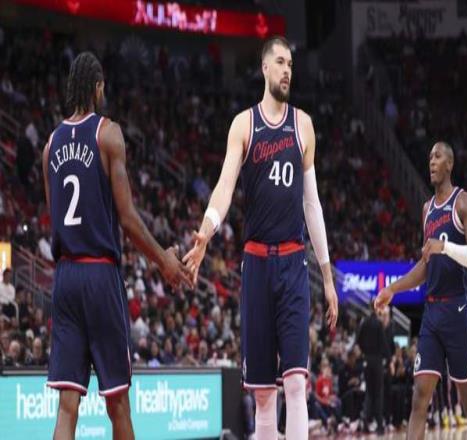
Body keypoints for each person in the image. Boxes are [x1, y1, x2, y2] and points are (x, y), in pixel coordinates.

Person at [183, 36, 338, 439]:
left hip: (293, 263)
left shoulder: (303, 125)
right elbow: (224, 186)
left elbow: (312, 205)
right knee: (265, 395)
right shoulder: (244, 124)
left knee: (297, 384)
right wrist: (206, 230)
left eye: (291, 64)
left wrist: (327, 276)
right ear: (265, 68)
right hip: (256, 264)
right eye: (281, 62)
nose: (288, 70)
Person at [42, 52, 192, 440]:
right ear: (97, 87)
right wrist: (163, 261)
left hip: (65, 276)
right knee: (117, 402)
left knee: (67, 406)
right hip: (99, 274)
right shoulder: (108, 133)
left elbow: (54, 217)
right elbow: (127, 217)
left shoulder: (50, 146)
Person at [375, 141, 467, 440]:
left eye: (437, 157)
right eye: (429, 158)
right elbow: (425, 265)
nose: (431, 162)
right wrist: (392, 289)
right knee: (419, 397)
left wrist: (445, 247)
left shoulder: (463, 202)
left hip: (457, 309)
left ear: (449, 164)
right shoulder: (427, 210)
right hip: (432, 312)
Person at [357, 302, 389, 435]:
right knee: (378, 394)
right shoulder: (378, 324)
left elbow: (358, 340)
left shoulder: (364, 323)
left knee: (369, 393)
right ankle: (379, 426)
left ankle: (365, 422)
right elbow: (384, 345)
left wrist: (365, 352)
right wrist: (388, 357)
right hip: (377, 361)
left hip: (367, 360)